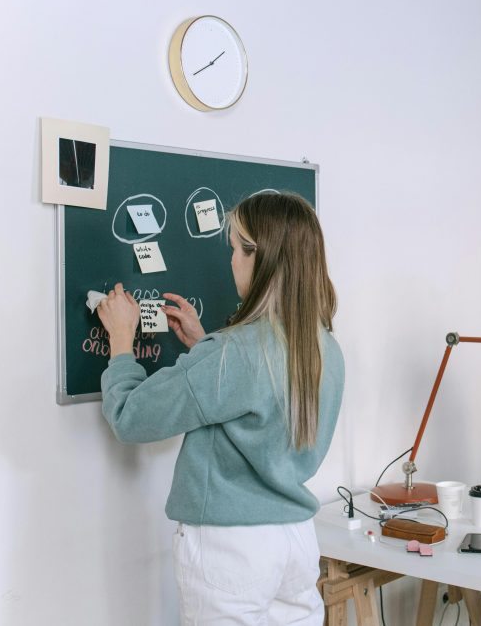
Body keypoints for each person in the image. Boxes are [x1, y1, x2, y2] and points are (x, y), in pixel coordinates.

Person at [96, 191, 344, 625]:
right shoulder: (324, 347)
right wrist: (203, 344)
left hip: (231, 551)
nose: (230, 260)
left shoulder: (233, 354)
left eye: (235, 248)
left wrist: (120, 341)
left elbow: (130, 416)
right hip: (296, 542)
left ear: (259, 258)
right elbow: (259, 393)